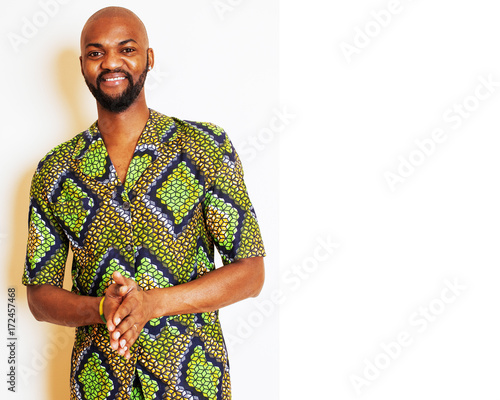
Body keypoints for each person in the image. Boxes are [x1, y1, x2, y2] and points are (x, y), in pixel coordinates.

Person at [22, 6, 266, 400]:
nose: (111, 62)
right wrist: (102, 309)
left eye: (127, 49)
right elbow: (39, 296)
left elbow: (251, 272)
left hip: (192, 381)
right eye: (96, 52)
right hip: (98, 384)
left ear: (148, 58)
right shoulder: (55, 170)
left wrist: (153, 304)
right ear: (82, 65)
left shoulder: (204, 147)